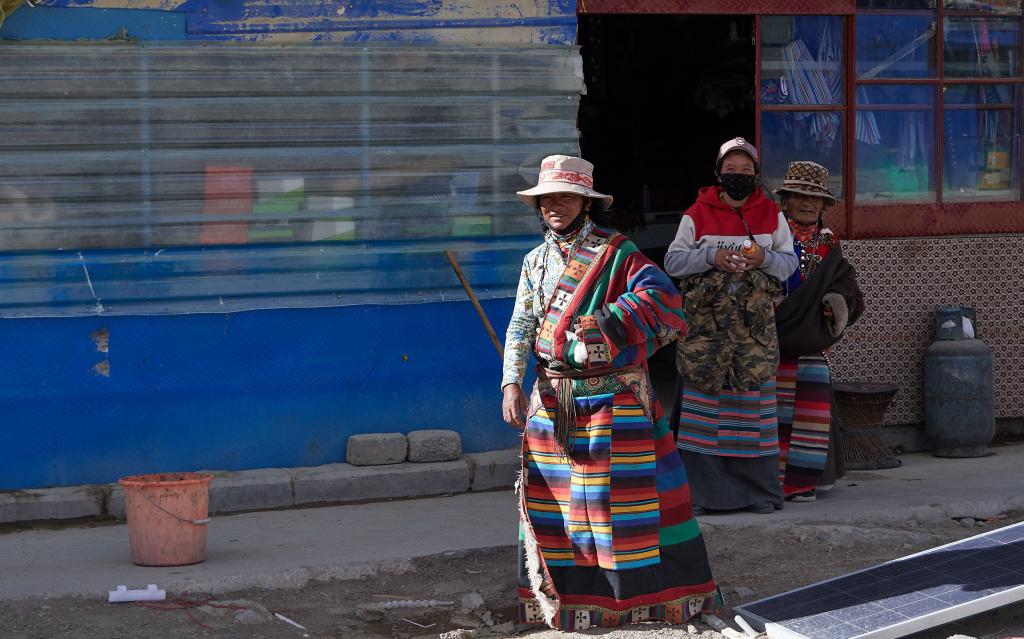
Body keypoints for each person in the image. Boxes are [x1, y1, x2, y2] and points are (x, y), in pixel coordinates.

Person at [501, 155, 720, 631]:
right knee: (553, 502)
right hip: (551, 400)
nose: (555, 206)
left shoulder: (618, 253)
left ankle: (634, 601)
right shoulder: (533, 262)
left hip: (611, 404)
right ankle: (563, 602)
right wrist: (511, 382)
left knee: (614, 506)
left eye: (565, 196)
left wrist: (608, 323)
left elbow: (665, 298)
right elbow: (521, 324)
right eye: (546, 199)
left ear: (585, 202)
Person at [666, 137, 797, 515]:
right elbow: (674, 263)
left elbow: (788, 266)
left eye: (745, 170)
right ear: (718, 174)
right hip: (706, 334)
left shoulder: (772, 214)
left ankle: (758, 494)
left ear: (755, 174)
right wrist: (712, 256)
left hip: (753, 336)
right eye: (730, 170)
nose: (737, 176)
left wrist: (763, 258)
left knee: (751, 413)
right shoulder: (696, 213)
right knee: (705, 412)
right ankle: (704, 497)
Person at [772, 161, 865, 502]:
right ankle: (771, 482)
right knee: (774, 415)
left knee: (809, 415)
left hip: (811, 344)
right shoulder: (769, 237)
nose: (807, 203)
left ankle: (802, 482)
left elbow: (847, 285)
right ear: (786, 201)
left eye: (815, 198)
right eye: (799, 196)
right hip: (771, 341)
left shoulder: (829, 245)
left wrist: (836, 302)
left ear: (824, 205)